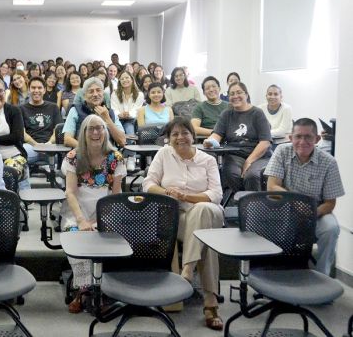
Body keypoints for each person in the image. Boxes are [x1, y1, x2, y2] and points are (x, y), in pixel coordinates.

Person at [143, 117, 224, 330]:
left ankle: (187, 270)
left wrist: (188, 197)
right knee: (206, 239)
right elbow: (148, 184)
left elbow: (216, 194)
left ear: (193, 135)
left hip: (207, 213)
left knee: (204, 210)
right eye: (174, 134)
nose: (180, 138)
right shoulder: (163, 155)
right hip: (176, 219)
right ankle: (210, 302)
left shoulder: (208, 160)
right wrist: (169, 192)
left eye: (184, 132)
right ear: (168, 139)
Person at [62, 115, 126, 313]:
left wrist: (100, 220)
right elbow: (70, 193)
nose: (96, 132)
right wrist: (81, 220)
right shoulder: (73, 156)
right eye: (91, 129)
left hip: (106, 212)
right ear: (84, 132)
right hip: (78, 211)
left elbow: (117, 196)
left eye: (100, 128)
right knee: (76, 234)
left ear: (106, 132)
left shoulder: (115, 158)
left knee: (107, 238)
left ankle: (103, 288)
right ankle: (84, 289)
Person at [265, 118, 343, 275]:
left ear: (317, 139)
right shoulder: (281, 151)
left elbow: (330, 203)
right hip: (284, 207)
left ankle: (323, 276)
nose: (302, 141)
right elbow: (272, 186)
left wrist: (311, 214)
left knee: (331, 228)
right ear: (290, 137)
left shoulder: (329, 162)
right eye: (298, 136)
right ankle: (275, 275)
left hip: (316, 212)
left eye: (308, 137)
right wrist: (296, 203)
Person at [203, 82, 271, 191]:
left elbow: (265, 143)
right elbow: (217, 134)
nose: (235, 96)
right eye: (232, 94)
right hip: (235, 155)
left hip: (258, 155)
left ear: (246, 95)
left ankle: (252, 205)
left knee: (252, 176)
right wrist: (210, 141)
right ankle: (240, 201)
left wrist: (249, 161)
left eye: (239, 92)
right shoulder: (226, 114)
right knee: (231, 174)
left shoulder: (257, 113)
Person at [62, 77, 126, 148]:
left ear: (103, 93)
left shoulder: (111, 113)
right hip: (84, 155)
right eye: (91, 91)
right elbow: (67, 140)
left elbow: (122, 141)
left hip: (108, 155)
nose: (95, 94)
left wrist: (107, 119)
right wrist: (88, 151)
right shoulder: (75, 110)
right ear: (84, 96)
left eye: (98, 90)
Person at [21, 76, 63, 164]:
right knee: (20, 157)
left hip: (51, 145)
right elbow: (22, 133)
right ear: (29, 90)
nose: (36, 90)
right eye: (33, 88)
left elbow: (57, 130)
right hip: (30, 146)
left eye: (39, 88)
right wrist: (36, 145)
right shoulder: (21, 109)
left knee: (61, 159)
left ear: (44, 90)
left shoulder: (53, 107)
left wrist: (49, 143)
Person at [110, 70, 144, 135]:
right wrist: (119, 114)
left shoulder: (140, 94)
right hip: (118, 119)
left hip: (132, 120)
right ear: (119, 81)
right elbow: (114, 108)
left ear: (132, 79)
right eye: (122, 79)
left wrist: (129, 114)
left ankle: (131, 143)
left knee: (129, 129)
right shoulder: (114, 94)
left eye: (127, 78)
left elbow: (137, 110)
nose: (124, 80)